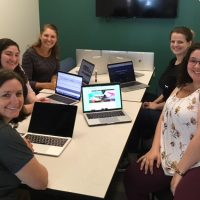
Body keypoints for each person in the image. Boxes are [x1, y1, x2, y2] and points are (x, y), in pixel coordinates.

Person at [124, 42, 200, 200]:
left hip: (191, 160)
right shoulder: (181, 86)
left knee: (180, 193)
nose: (197, 66)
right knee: (132, 176)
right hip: (167, 152)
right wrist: (154, 149)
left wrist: (179, 171)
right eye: (193, 61)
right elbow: (164, 116)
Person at [128, 26, 194, 154]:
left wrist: (156, 106)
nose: (175, 45)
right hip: (164, 102)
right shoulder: (174, 61)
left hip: (170, 112)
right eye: (173, 41)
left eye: (180, 42)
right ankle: (146, 135)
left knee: (135, 113)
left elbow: (177, 102)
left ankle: (131, 154)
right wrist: (155, 102)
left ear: (189, 43)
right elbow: (166, 91)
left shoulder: (187, 69)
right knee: (140, 98)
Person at [0, 69, 48, 199]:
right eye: (6, 95)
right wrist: (24, 150)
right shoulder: (5, 134)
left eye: (19, 94)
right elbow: (41, 182)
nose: (16, 101)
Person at [0, 38, 37, 115]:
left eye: (17, 55)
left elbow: (29, 91)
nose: (14, 59)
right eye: (8, 54)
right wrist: (32, 107)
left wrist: (37, 102)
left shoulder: (18, 68)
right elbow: (7, 109)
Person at [22, 24, 59, 94]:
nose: (49, 39)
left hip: (49, 91)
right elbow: (26, 82)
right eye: (46, 35)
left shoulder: (54, 52)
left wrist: (53, 80)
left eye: (53, 37)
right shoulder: (29, 54)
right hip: (34, 94)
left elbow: (55, 71)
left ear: (56, 39)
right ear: (40, 36)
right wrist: (47, 85)